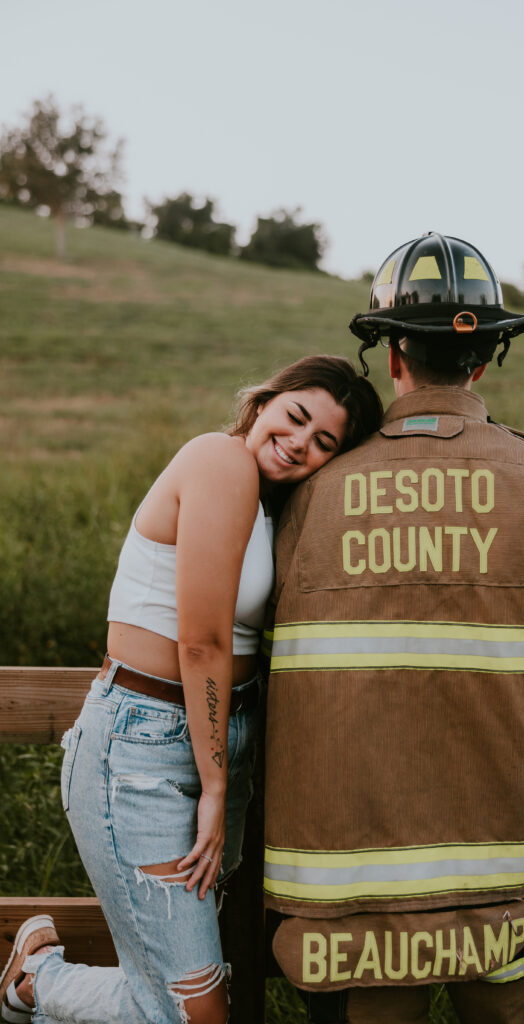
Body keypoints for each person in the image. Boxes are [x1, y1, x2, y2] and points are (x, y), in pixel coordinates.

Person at [263, 234, 524, 1024]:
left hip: (344, 909)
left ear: (392, 353)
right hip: (507, 900)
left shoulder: (307, 491)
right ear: (485, 357)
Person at [0, 355, 383, 1024]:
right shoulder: (219, 461)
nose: (299, 444)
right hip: (143, 747)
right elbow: (201, 641)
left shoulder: (265, 505)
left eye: (324, 443)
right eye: (295, 418)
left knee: (188, 990)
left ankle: (36, 983)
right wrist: (214, 786)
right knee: (190, 1014)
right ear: (263, 403)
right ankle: (37, 979)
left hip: (214, 741)